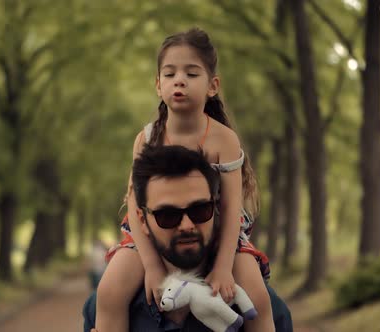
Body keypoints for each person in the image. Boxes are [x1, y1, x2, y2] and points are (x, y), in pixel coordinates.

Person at [96, 27, 274, 332]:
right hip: (154, 231)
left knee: (255, 289)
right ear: (157, 84)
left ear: (212, 86)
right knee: (111, 286)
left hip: (217, 231)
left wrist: (221, 268)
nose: (179, 80)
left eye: (192, 74)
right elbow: (136, 208)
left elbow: (232, 209)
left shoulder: (224, 139)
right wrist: (152, 265)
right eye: (169, 74)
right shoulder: (147, 138)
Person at [83, 145, 292, 331]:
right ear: (142, 221)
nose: (186, 225)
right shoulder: (110, 302)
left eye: (200, 210)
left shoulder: (261, 304)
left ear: (217, 210)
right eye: (168, 215)